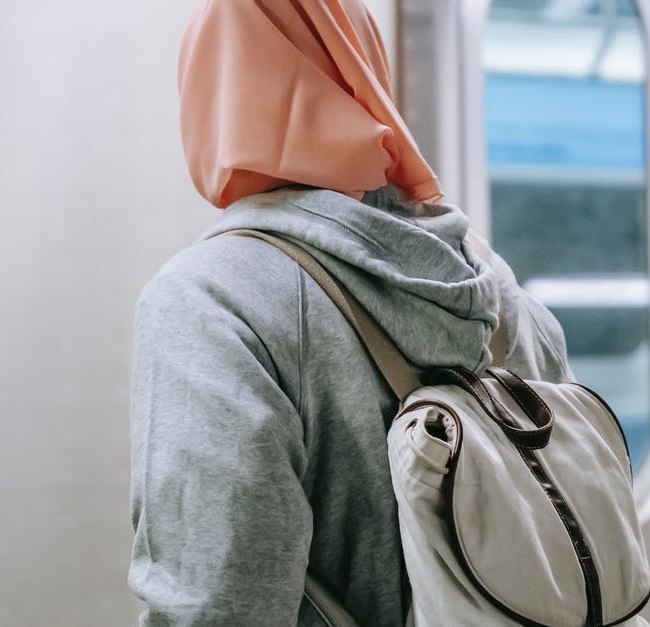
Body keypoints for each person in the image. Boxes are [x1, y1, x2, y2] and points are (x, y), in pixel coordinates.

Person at [128, 0, 574, 624]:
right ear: (365, 76)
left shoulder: (210, 299)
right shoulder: (501, 294)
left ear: (209, 94)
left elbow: (220, 601)